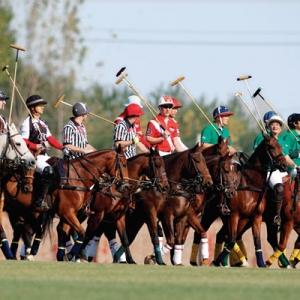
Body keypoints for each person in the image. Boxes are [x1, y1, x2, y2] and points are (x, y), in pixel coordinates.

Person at [20, 94, 68, 211]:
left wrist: (62, 148)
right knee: (49, 170)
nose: (43, 107)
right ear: (32, 108)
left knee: (61, 167)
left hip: (44, 156)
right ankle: (39, 200)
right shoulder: (27, 123)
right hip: (33, 157)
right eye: (40, 105)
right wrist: (37, 145)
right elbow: (23, 141)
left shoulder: (42, 123)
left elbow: (50, 138)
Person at [259, 115, 297, 226]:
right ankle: (276, 215)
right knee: (280, 188)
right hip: (271, 171)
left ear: (281, 128)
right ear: (269, 127)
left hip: (282, 170)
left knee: (293, 187)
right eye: (272, 124)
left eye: (277, 125)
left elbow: (287, 158)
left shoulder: (282, 141)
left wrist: (295, 167)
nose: (275, 126)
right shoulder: (265, 140)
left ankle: (291, 212)